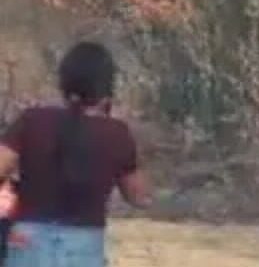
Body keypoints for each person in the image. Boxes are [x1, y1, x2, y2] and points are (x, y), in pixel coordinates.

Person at [0, 42, 150, 267]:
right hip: (84, 244)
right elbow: (139, 198)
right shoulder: (117, 133)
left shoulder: (31, 121)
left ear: (63, 82)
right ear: (106, 87)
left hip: (27, 241)